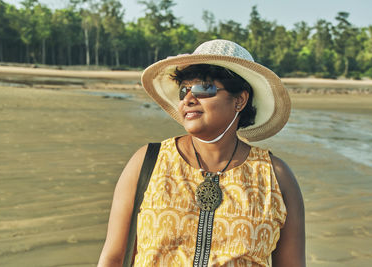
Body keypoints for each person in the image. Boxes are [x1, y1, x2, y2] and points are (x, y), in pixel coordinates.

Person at [98, 39, 305, 267]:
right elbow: (113, 258)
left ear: (240, 100)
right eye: (184, 90)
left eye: (203, 88)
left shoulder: (275, 177)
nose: (188, 99)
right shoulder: (148, 162)